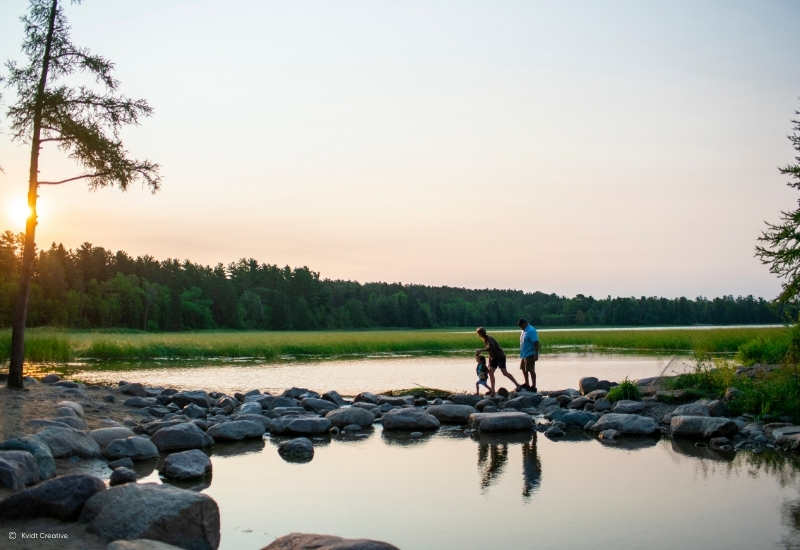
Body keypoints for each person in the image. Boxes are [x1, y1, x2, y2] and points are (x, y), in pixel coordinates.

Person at [475, 326, 521, 393]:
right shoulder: (485, 340)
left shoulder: (489, 339)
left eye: (479, 334)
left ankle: (517, 385)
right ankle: (492, 390)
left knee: (504, 372)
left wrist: (481, 350)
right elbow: (490, 352)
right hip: (494, 358)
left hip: (500, 357)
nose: (479, 335)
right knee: (490, 372)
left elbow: (491, 348)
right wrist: (489, 363)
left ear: (482, 333)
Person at [517, 318, 539, 392]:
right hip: (524, 354)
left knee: (531, 370)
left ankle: (534, 386)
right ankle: (527, 383)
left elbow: (536, 342)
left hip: (530, 353)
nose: (520, 327)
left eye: (521, 325)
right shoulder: (524, 331)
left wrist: (536, 354)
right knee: (523, 368)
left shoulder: (531, 330)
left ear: (524, 324)